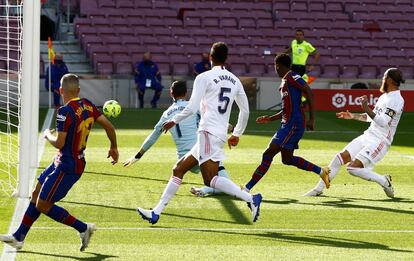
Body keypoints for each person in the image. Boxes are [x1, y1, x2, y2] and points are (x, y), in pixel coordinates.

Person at [136, 42, 263, 225]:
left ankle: (251, 199)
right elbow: (245, 111)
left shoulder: (203, 77)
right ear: (226, 59)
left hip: (208, 132)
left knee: (210, 180)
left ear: (210, 57)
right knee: (178, 169)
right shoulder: (235, 80)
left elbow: (192, 106)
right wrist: (236, 134)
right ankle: (156, 212)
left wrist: (174, 119)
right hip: (216, 134)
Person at [0, 74, 119, 251]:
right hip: (66, 160)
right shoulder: (87, 104)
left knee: (43, 204)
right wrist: (113, 147)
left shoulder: (64, 111)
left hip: (68, 165)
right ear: (78, 90)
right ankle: (19, 237)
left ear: (61, 90)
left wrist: (47, 134)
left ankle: (83, 228)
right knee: (36, 193)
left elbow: (59, 143)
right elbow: (109, 125)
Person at [304, 68, 404, 197]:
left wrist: (366, 108)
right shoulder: (385, 96)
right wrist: (352, 116)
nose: (382, 80)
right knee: (338, 158)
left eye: (384, 77)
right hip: (369, 135)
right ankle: (318, 190)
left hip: (380, 141)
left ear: (390, 80)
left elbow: (383, 122)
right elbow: (371, 117)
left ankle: (384, 181)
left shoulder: (396, 99)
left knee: (353, 168)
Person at [122, 80, 230, 197]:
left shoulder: (166, 114)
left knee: (219, 180)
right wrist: (232, 129)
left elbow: (153, 137)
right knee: (226, 183)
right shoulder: (194, 107)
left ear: (171, 93)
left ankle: (206, 188)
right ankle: (206, 190)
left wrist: (138, 155)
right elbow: (215, 120)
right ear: (186, 94)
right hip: (201, 155)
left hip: (184, 161)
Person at [242, 54, 330, 193]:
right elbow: (286, 110)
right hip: (288, 124)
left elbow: (309, 92)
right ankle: (321, 171)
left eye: (275, 67)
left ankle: (246, 189)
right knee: (287, 159)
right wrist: (270, 118)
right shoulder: (284, 82)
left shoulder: (292, 77)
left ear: (278, 66)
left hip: (293, 125)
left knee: (268, 154)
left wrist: (312, 119)